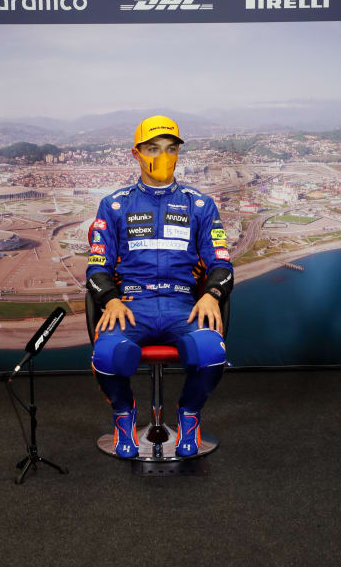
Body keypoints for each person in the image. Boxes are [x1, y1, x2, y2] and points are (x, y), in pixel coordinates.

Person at [86, 115, 234, 458]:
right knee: (107, 355)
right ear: (136, 153)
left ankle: (189, 415)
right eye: (153, 149)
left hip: (182, 305)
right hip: (131, 305)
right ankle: (124, 416)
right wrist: (110, 301)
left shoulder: (200, 204)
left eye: (170, 149)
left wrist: (212, 295)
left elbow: (221, 263)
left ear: (178, 153)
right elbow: (96, 268)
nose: (162, 156)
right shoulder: (114, 204)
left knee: (212, 352)